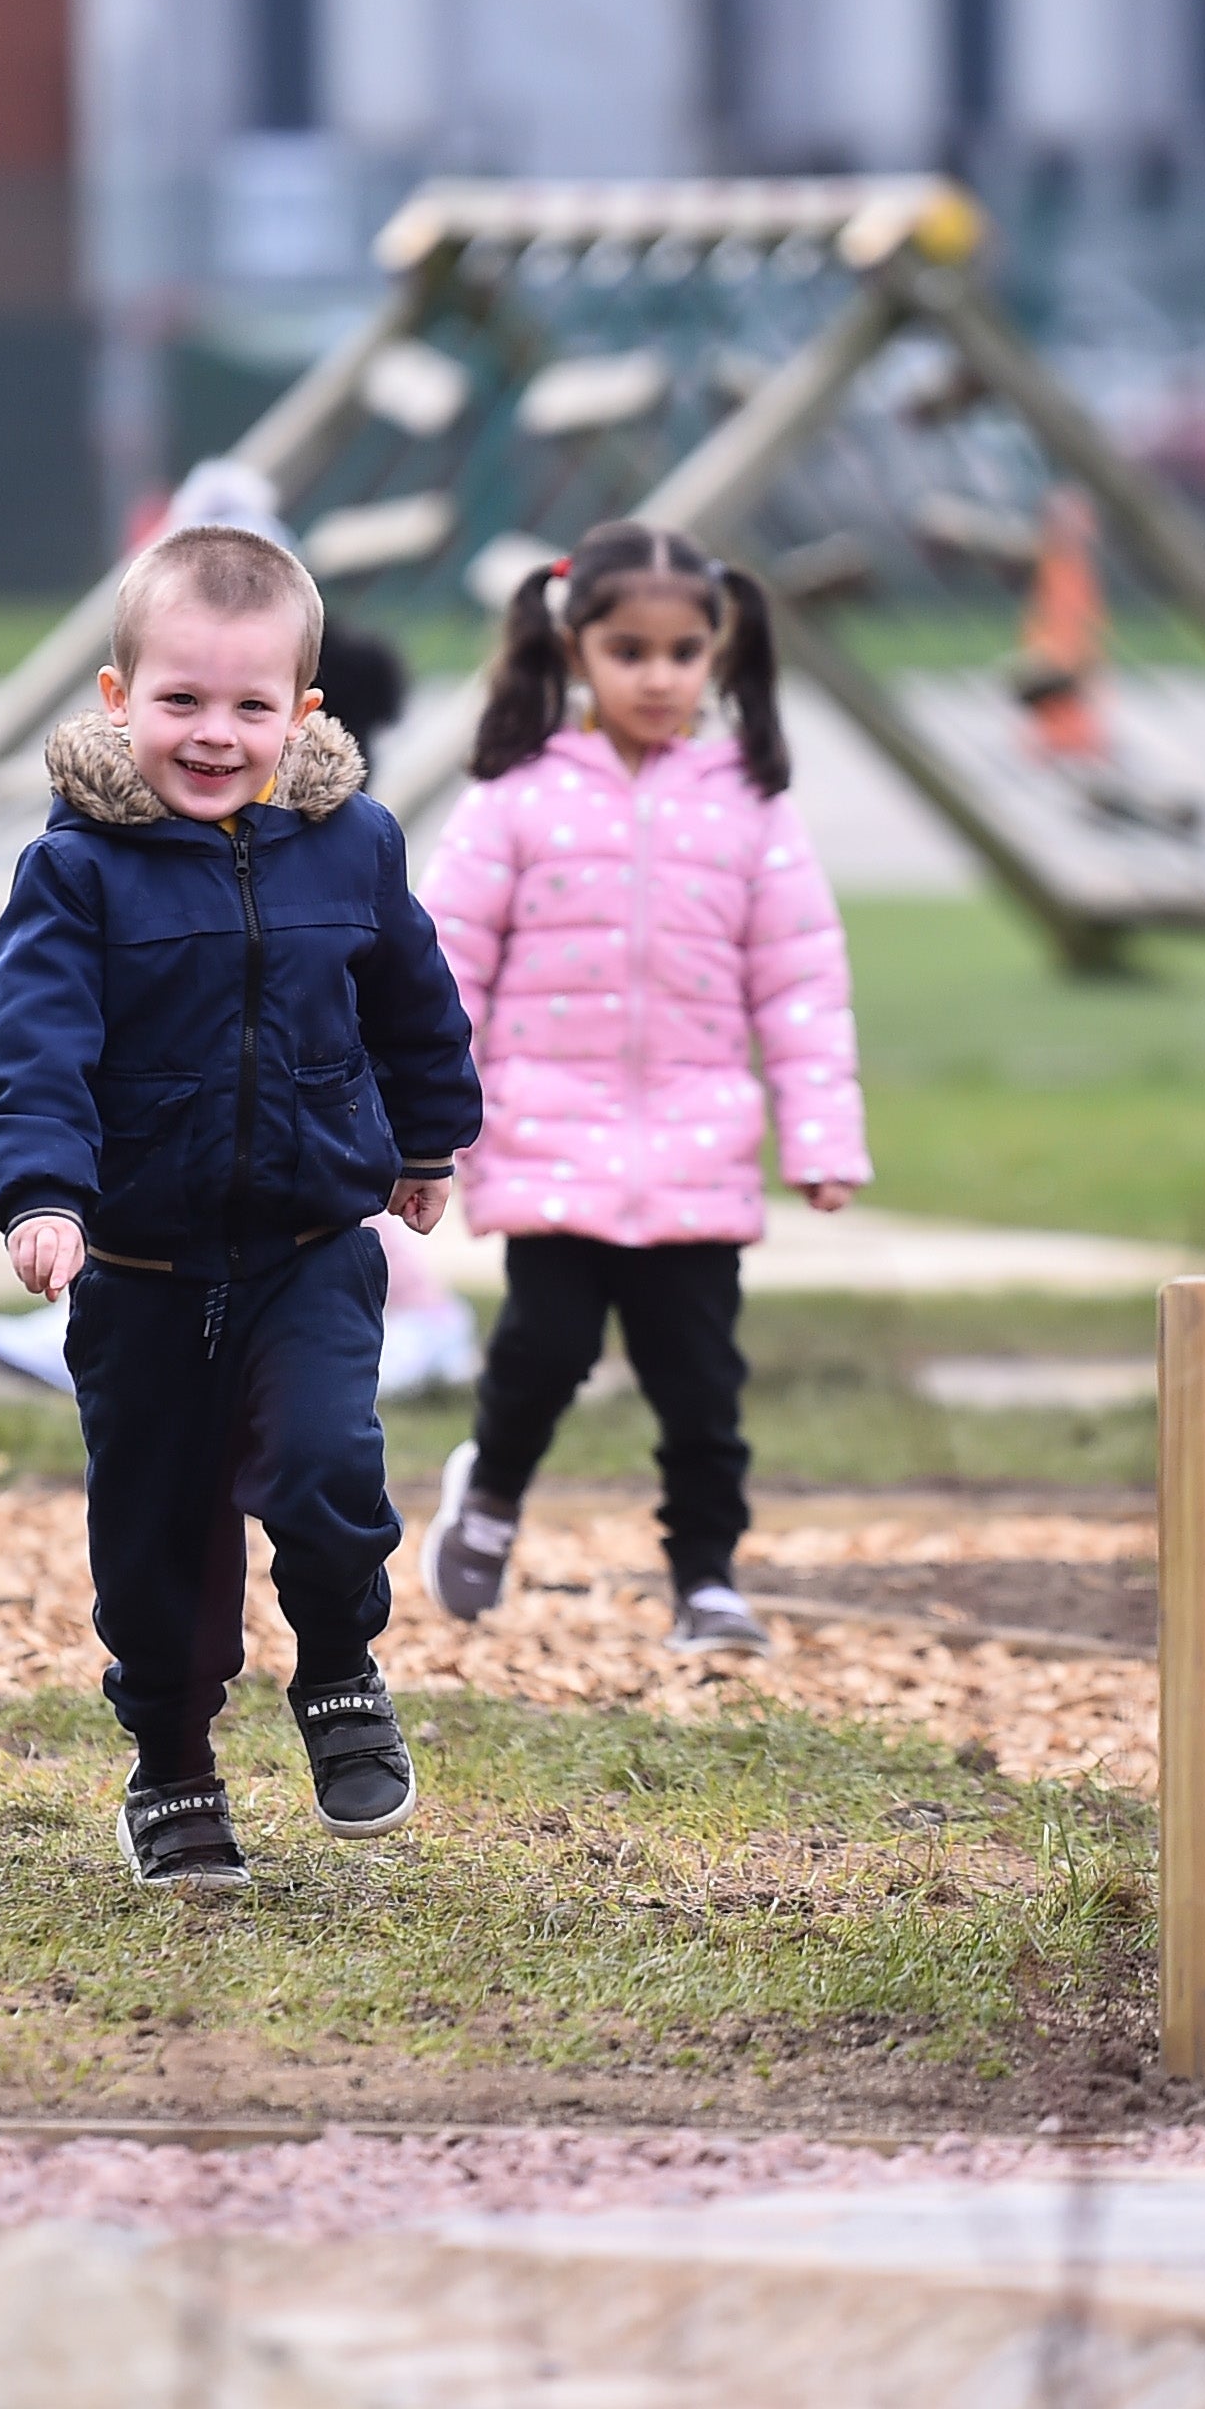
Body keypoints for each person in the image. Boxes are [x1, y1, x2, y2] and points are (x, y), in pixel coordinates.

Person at [0, 521, 479, 1888]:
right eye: (180, 700)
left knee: (327, 1469)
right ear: (117, 698)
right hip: (136, 1265)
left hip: (310, 1248)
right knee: (159, 1535)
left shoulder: (352, 847)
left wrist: (425, 1141)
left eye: (250, 705)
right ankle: (174, 1765)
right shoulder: (75, 870)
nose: (213, 733)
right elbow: (33, 1048)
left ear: (301, 713)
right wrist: (39, 1196)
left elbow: (412, 1003)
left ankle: (338, 1666)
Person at [413, 520, 865, 1658]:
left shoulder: (751, 807)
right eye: (629, 651)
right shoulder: (513, 799)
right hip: (544, 1140)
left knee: (699, 1384)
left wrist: (821, 1137)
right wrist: (425, 1125)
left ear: (716, 652)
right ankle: (492, 1492)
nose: (658, 677)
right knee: (543, 1351)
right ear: (574, 650)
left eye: (682, 651)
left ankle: (706, 1578)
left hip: (696, 1152)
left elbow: (799, 982)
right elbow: (444, 970)